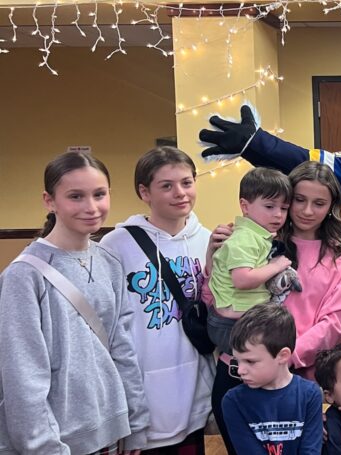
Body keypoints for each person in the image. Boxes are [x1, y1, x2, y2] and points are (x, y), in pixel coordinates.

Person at [0, 151, 149, 454]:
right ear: (49, 200)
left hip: (109, 430)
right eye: (76, 196)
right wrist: (44, 447)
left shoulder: (109, 261)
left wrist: (135, 421)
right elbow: (23, 375)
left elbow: (122, 347)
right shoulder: (24, 274)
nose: (91, 207)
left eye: (99, 194)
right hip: (56, 439)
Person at [99, 146, 215, 453]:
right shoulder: (116, 246)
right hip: (143, 396)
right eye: (167, 185)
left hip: (194, 393)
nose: (180, 193)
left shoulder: (206, 240)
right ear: (144, 191)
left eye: (187, 182)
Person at [207, 166, 294, 453]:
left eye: (283, 207)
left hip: (240, 320)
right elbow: (242, 280)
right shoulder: (244, 237)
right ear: (245, 206)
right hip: (232, 322)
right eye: (269, 206)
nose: (278, 215)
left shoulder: (258, 236)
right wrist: (280, 265)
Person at [277, 162, 341, 379]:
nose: (307, 211)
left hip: (305, 374)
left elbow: (337, 322)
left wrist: (287, 358)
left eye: (319, 203)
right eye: (299, 200)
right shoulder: (262, 242)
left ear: (331, 207)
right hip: (251, 365)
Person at [220, 303, 323, 454]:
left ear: (282, 356)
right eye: (237, 360)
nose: (240, 370)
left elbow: (311, 450)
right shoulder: (233, 401)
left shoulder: (310, 395)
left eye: (250, 361)